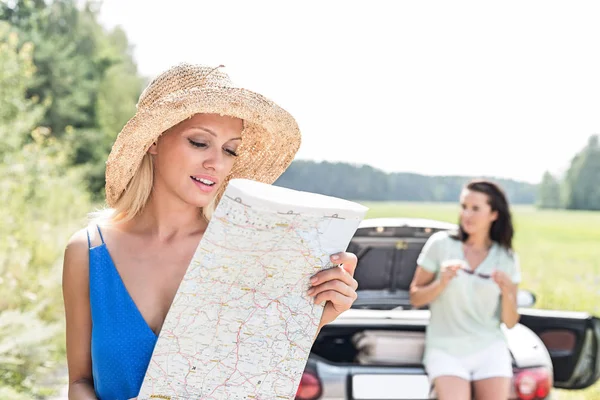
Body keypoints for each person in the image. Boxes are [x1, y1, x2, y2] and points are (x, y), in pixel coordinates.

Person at [62, 63, 360, 400]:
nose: (216, 163)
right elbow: (80, 382)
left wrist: (314, 317)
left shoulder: (248, 251)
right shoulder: (87, 253)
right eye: (200, 142)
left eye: (230, 150)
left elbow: (254, 369)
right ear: (153, 142)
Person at [409, 179, 521, 400]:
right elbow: (415, 298)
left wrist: (508, 291)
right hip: (446, 349)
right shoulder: (440, 244)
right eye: (464, 207)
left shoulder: (506, 258)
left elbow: (509, 321)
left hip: (490, 348)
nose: (467, 214)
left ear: (494, 214)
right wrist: (441, 282)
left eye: (476, 208)